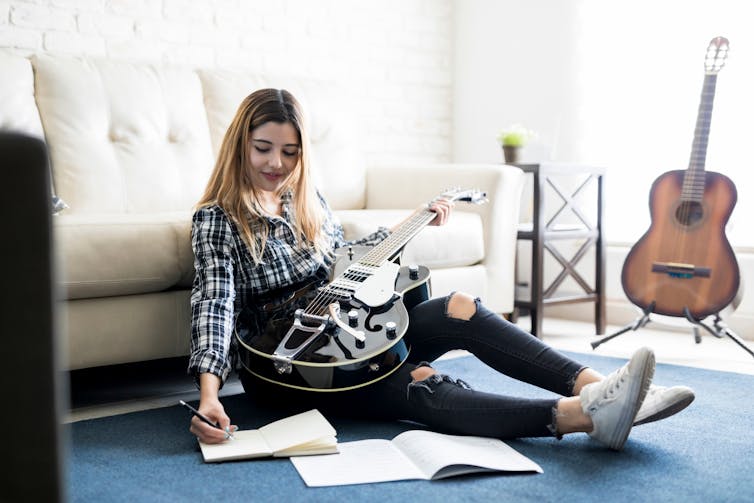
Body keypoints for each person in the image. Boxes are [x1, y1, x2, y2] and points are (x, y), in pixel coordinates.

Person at [187, 88, 694, 451]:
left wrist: (415, 221)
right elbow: (214, 302)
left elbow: (345, 256)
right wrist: (209, 395)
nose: (277, 163)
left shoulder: (306, 200)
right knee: (420, 380)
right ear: (241, 145)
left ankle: (601, 385)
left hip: (350, 331)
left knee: (458, 306)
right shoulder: (217, 218)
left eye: (290, 152)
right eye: (263, 149)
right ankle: (583, 419)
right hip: (289, 368)